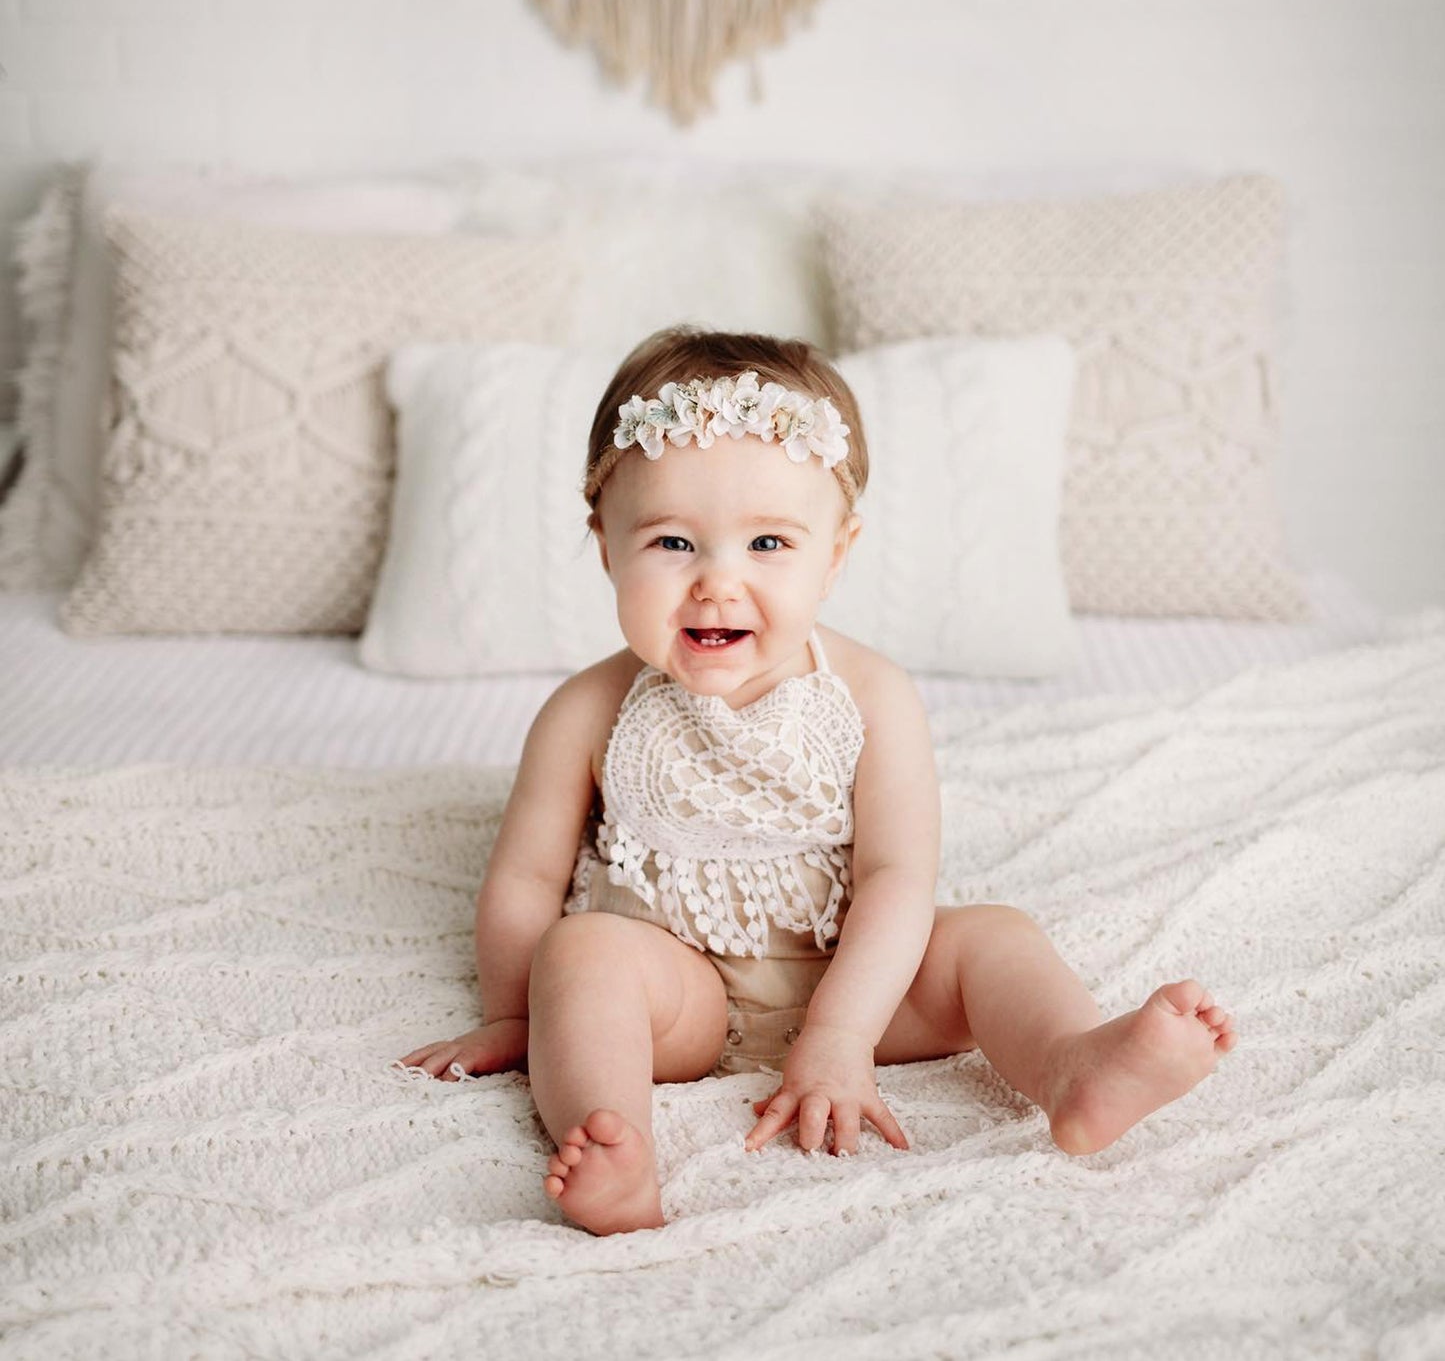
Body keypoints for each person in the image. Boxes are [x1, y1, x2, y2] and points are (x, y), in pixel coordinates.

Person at [398, 326, 1238, 1237]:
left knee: (990, 937)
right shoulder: (585, 711)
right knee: (579, 953)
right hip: (680, 1002)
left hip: (858, 979)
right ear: (605, 548)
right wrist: (517, 1013)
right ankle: (613, 1146)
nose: (719, 582)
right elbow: (524, 878)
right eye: (674, 542)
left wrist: (839, 1037)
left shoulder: (873, 695)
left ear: (835, 555)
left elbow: (894, 877)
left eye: (767, 542)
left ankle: (1073, 1067)